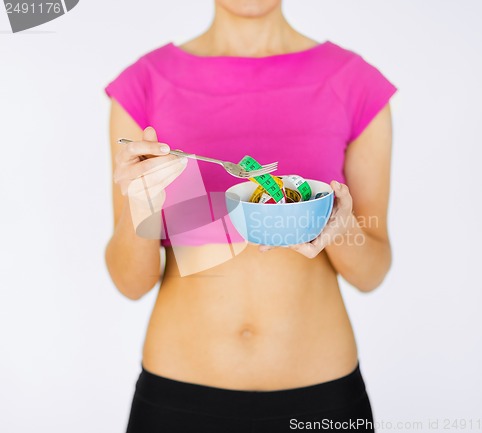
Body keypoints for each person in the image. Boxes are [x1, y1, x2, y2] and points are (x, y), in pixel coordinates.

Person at [104, 1, 397, 432]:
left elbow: (372, 271)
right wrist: (141, 204)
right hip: (177, 396)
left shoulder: (353, 82)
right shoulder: (147, 83)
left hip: (321, 398)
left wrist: (340, 227)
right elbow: (130, 282)